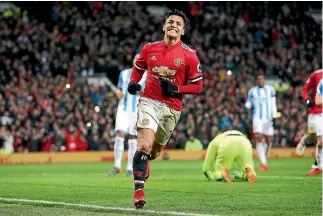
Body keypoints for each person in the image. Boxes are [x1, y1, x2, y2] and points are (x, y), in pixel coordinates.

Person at [127, 9, 203, 209]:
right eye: (170, 22)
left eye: (178, 24)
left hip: (172, 108)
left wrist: (177, 88)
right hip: (149, 101)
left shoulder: (190, 55)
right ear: (163, 26)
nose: (173, 25)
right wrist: (133, 83)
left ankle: (147, 160)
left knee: (155, 150)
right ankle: (139, 192)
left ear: (183, 31)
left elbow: (198, 86)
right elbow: (138, 67)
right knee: (143, 145)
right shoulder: (149, 49)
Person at [108, 54, 147, 177]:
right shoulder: (124, 74)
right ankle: (117, 165)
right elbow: (120, 90)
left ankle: (130, 167)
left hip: (136, 110)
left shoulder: (146, 75)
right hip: (123, 108)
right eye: (135, 58)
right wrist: (118, 93)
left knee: (132, 137)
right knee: (120, 133)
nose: (137, 60)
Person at [245, 72, 277, 171]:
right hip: (257, 118)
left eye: (262, 79)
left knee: (268, 141)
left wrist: (274, 114)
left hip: (268, 118)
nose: (261, 81)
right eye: (259, 79)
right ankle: (263, 163)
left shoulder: (270, 90)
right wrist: (247, 105)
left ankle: (264, 159)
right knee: (258, 138)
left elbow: (273, 102)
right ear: (256, 81)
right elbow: (249, 104)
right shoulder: (252, 92)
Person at [296, 69, 322, 176]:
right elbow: (305, 88)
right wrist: (307, 99)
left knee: (321, 141)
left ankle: (317, 166)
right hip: (316, 113)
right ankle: (306, 140)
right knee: (315, 139)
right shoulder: (316, 74)